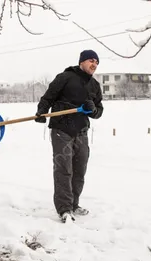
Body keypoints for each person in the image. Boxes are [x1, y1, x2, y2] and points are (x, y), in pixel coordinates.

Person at [34, 49, 104, 223]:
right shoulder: (65, 77)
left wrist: (93, 110)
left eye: (96, 62)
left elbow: (99, 111)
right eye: (90, 60)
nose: (94, 64)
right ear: (81, 62)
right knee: (64, 170)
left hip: (81, 132)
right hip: (61, 129)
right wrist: (41, 112)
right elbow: (48, 97)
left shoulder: (94, 85)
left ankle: (74, 204)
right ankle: (64, 209)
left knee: (79, 171)